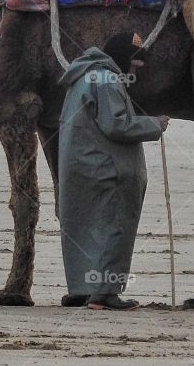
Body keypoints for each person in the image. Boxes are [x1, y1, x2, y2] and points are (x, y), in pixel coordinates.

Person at [57, 31, 169, 311]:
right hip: (106, 169)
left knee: (83, 229)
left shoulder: (83, 76)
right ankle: (105, 292)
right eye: (134, 63)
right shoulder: (107, 79)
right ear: (122, 57)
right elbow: (115, 125)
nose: (135, 70)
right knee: (114, 227)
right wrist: (155, 124)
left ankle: (83, 288)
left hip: (78, 167)